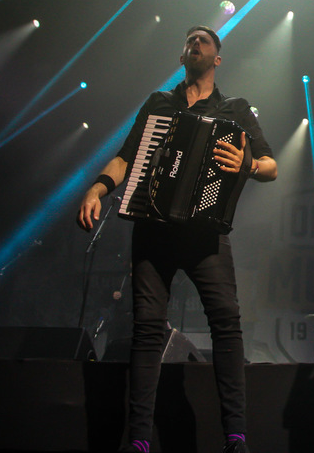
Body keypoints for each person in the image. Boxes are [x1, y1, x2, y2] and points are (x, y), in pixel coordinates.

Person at [77, 25, 277, 453]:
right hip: (153, 228)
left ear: (217, 58)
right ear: (181, 56)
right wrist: (97, 188)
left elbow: (270, 165)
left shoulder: (235, 109)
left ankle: (236, 438)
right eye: (189, 41)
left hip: (206, 233)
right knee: (147, 329)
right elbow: (127, 155)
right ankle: (138, 441)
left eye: (203, 41)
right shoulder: (158, 105)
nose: (195, 45)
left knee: (226, 324)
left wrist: (246, 164)